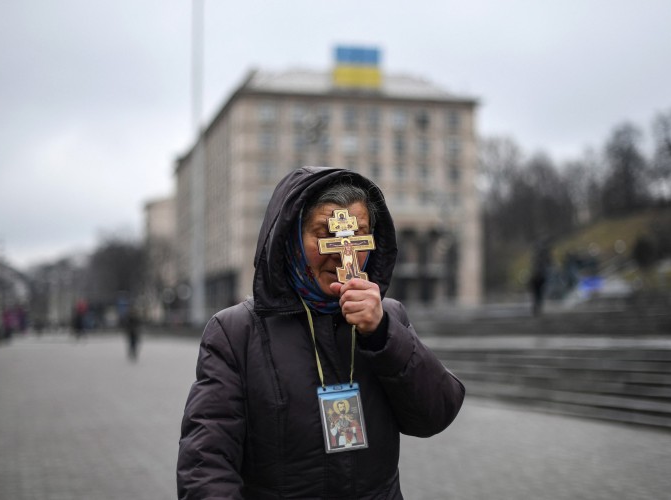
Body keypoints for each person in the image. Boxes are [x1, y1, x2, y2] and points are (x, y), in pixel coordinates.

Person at [177, 166, 465, 499]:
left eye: (358, 236)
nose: (345, 254)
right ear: (292, 238)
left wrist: (383, 334)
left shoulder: (390, 317)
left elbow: (435, 414)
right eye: (324, 234)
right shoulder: (236, 332)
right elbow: (205, 463)